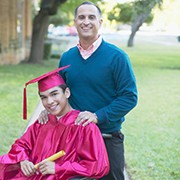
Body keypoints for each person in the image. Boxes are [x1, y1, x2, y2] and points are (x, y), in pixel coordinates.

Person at [39, 1, 138, 180]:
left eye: (92, 17)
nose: (86, 21)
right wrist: (49, 111)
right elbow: (60, 94)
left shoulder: (117, 57)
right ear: (75, 22)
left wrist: (97, 115)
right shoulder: (67, 57)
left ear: (100, 22)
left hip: (107, 138)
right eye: (81, 17)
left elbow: (129, 97)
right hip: (73, 139)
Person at [0, 66, 109, 180]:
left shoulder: (84, 126)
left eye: (54, 94)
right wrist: (23, 159)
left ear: (66, 92)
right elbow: (21, 145)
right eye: (44, 97)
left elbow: (97, 166)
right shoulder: (42, 123)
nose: (49, 102)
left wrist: (58, 168)